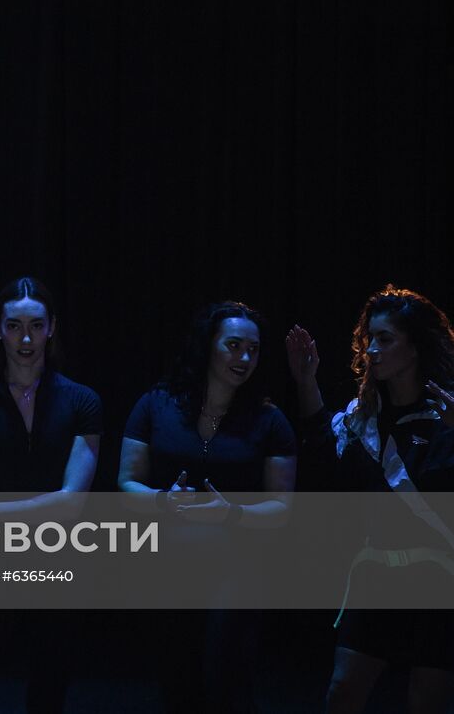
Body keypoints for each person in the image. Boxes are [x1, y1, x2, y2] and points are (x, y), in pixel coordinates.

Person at [119, 300, 297, 714]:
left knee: (224, 679)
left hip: (236, 571)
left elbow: (282, 507)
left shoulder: (269, 421)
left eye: (253, 349)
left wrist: (231, 513)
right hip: (168, 568)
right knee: (176, 681)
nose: (245, 358)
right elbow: (126, 483)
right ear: (208, 346)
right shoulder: (157, 404)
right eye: (234, 346)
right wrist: (164, 501)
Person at [286, 286, 454, 714]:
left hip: (439, 582)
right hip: (377, 573)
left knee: (427, 702)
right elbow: (322, 466)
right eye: (370, 340)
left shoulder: (445, 417)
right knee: (342, 692)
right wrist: (306, 382)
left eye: (386, 339)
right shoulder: (360, 420)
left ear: (413, 347)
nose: (373, 350)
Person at [0, 276, 100, 714]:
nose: (25, 338)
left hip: (60, 575)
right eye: (14, 326)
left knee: (46, 701)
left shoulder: (81, 402)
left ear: (52, 328)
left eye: (35, 325)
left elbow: (71, 505)